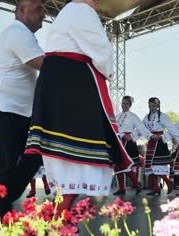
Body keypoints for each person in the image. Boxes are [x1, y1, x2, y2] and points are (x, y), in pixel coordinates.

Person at [24, 0, 132, 214]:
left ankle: (61, 224)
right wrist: (107, 72)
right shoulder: (83, 10)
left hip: (58, 84)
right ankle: (60, 225)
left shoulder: (68, 12)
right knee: (78, 158)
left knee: (67, 160)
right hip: (72, 85)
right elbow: (102, 51)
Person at [0, 0, 46, 220]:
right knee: (6, 166)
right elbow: (44, 64)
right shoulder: (17, 33)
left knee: (32, 157)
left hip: (16, 112)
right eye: (38, 8)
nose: (43, 13)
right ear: (21, 10)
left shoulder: (25, 35)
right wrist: (74, 64)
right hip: (4, 109)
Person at [142, 97, 179, 196]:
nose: (152, 108)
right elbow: (141, 128)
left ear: (158, 106)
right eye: (150, 105)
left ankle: (169, 183)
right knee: (150, 167)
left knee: (157, 166)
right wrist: (149, 135)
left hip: (160, 143)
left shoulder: (163, 116)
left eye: (154, 106)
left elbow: (171, 128)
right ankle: (155, 188)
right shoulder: (146, 117)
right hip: (151, 141)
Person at [113, 96, 151, 195]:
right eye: (123, 103)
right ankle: (122, 188)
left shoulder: (133, 116)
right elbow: (114, 128)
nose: (124, 105)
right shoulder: (117, 116)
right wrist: (121, 135)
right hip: (118, 141)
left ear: (130, 105)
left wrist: (132, 136)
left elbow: (141, 128)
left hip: (128, 143)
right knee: (118, 166)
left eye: (126, 103)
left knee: (127, 165)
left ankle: (136, 184)